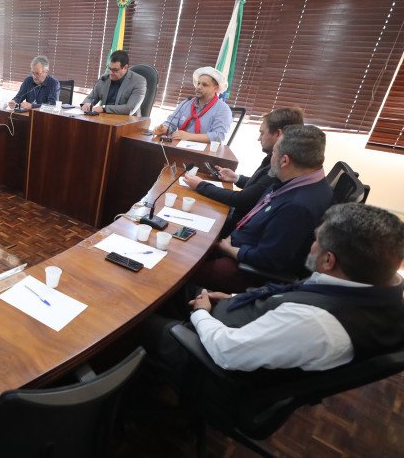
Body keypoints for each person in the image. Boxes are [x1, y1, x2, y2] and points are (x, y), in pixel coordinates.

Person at [150, 203, 404, 379]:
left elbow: (226, 351)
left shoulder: (316, 323)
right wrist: (233, 299)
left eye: (316, 241)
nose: (311, 246)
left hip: (210, 362)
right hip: (242, 322)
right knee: (172, 286)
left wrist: (201, 314)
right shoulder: (379, 287)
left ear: (329, 261)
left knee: (136, 318)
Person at [192, 125, 334, 293]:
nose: (271, 157)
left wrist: (229, 249)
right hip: (240, 245)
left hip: (248, 269)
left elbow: (268, 259)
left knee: (184, 266)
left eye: (274, 152)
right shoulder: (300, 180)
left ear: (284, 161)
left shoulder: (298, 206)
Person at [183, 107, 304, 237]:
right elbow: (259, 187)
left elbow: (242, 200)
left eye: (262, 133)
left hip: (239, 228)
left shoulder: (281, 166)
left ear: (278, 134)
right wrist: (237, 178)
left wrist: (201, 185)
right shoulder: (274, 158)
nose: (259, 138)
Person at [152, 66, 233, 142]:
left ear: (215, 88)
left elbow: (219, 136)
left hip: (203, 151)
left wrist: (188, 136)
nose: (199, 87)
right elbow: (171, 123)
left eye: (204, 85)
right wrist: (164, 129)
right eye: (198, 83)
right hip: (178, 147)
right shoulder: (186, 103)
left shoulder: (223, 109)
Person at [81, 50, 147, 115]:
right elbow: (91, 98)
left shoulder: (139, 81)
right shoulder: (104, 78)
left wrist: (104, 108)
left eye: (115, 70)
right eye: (109, 68)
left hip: (127, 120)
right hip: (104, 119)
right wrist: (86, 104)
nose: (110, 73)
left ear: (125, 67)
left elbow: (130, 109)